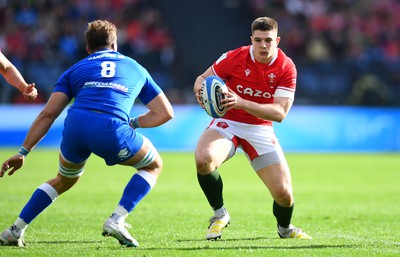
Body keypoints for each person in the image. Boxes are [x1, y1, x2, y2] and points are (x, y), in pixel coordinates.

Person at [0, 20, 173, 248]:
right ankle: (117, 219)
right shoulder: (135, 67)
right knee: (153, 165)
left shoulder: (75, 69)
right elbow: (165, 113)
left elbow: (48, 114)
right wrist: (132, 123)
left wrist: (23, 152)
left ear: (88, 48)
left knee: (64, 179)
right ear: (115, 45)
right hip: (111, 127)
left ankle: (15, 230)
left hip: (75, 126)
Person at [193, 17, 311, 240]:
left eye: (268, 40)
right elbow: (201, 79)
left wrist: (241, 102)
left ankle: (285, 229)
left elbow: (280, 113)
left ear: (277, 40)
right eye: (258, 40)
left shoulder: (286, 67)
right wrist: (201, 93)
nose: (263, 46)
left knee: (284, 195)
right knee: (203, 159)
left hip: (260, 129)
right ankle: (220, 214)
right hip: (228, 122)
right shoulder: (234, 57)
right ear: (252, 40)